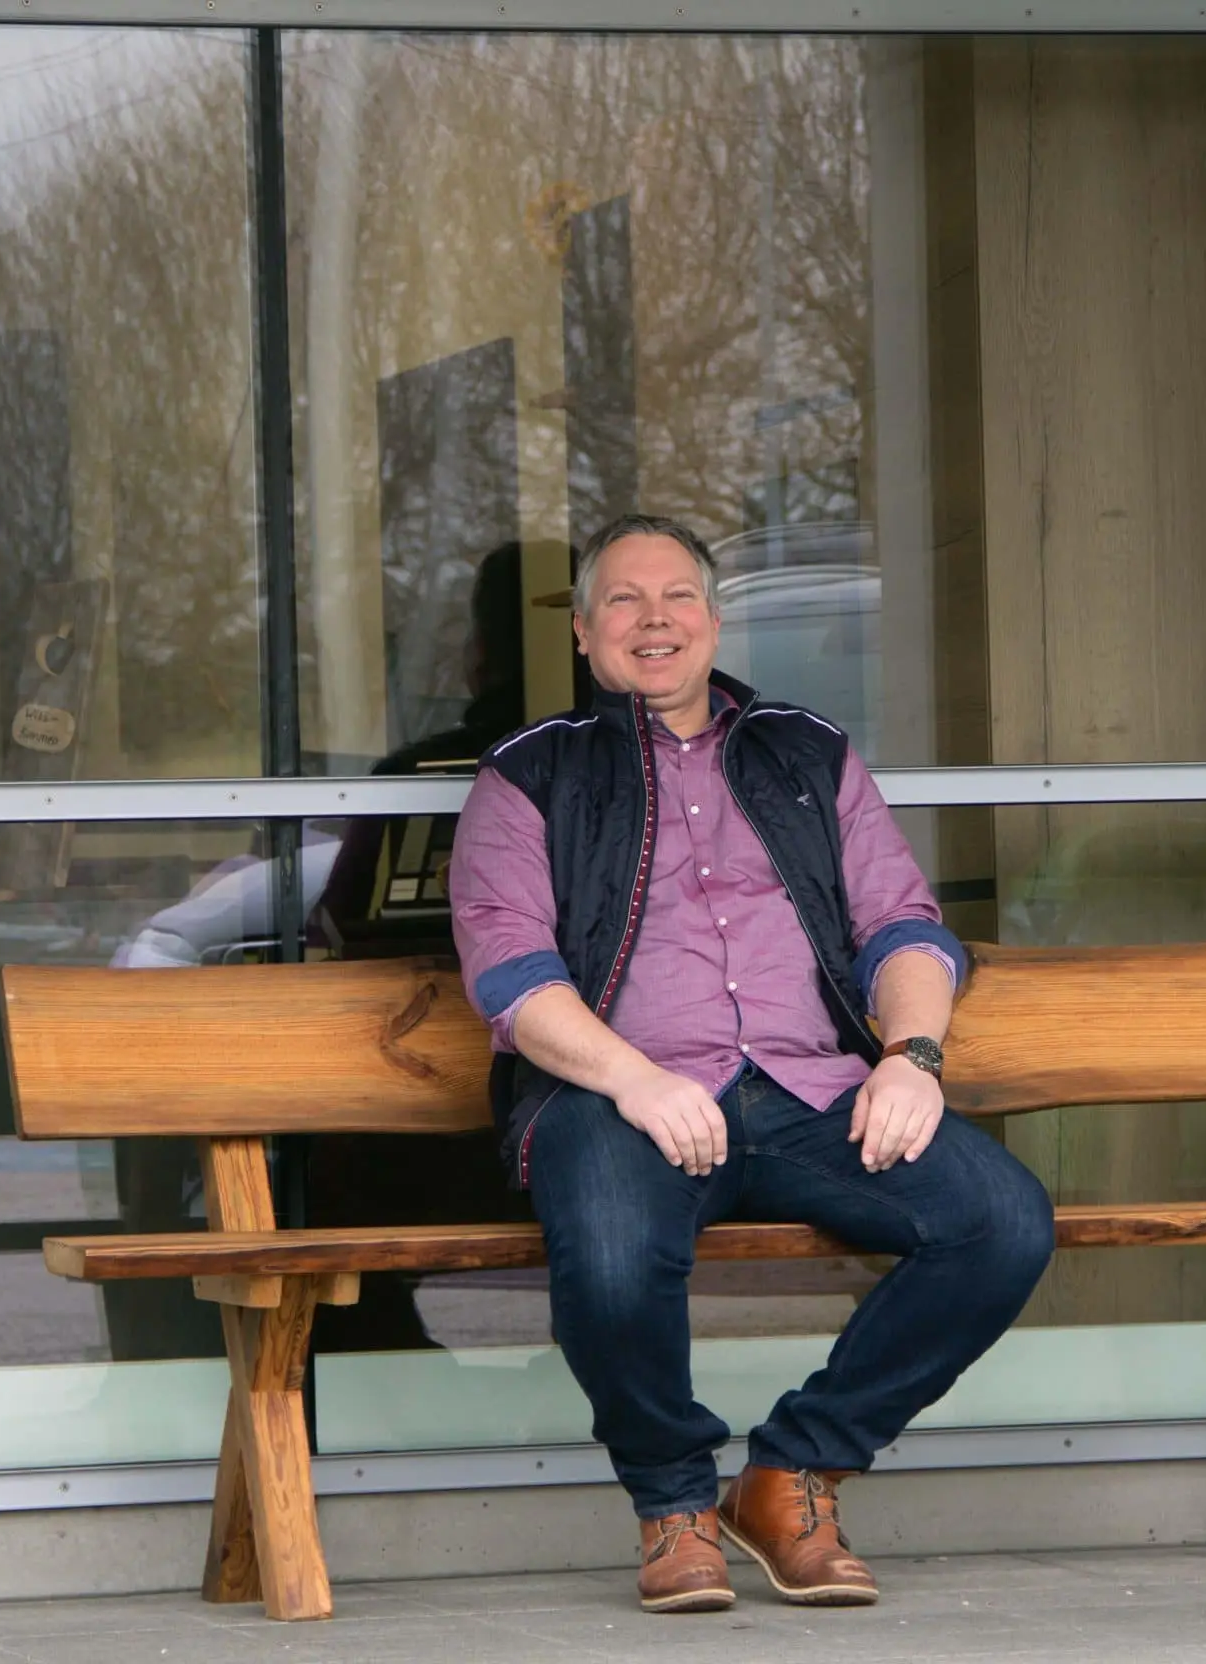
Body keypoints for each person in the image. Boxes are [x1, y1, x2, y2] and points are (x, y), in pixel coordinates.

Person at [447, 513, 1054, 1615]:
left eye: (676, 596)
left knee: (998, 1216)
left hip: (809, 1090)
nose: (654, 619)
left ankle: (793, 1473)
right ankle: (674, 1502)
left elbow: (903, 926)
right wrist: (633, 1077)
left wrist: (912, 1057)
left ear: (715, 618)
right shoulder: (527, 775)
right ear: (585, 634)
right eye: (623, 601)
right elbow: (511, 973)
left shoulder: (805, 751)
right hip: (617, 1094)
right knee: (617, 1247)